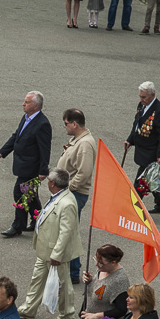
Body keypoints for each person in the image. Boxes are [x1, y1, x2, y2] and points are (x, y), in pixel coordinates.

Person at [16, 168, 83, 319]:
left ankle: (67, 315)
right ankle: (28, 309)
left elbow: (66, 232)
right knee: (37, 279)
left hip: (55, 253)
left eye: (48, 181)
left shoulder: (66, 203)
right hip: (45, 250)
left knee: (63, 284)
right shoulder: (58, 196)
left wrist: (57, 254)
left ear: (52, 183)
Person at [0, 91, 52, 238]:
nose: (23, 104)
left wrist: (43, 170)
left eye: (26, 102)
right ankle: (38, 220)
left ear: (35, 105)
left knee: (20, 193)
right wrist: (3, 151)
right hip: (22, 165)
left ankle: (18, 226)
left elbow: (45, 149)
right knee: (29, 195)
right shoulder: (26, 117)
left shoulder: (43, 124)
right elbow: (16, 136)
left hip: (31, 168)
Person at [56, 108, 96, 283]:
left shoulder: (85, 144)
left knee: (70, 232)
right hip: (70, 193)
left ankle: (73, 273)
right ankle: (70, 270)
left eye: (65, 123)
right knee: (67, 230)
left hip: (74, 194)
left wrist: (68, 188)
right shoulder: (77, 140)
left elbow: (84, 172)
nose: (64, 127)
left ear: (74, 124)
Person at [125, 81, 160, 214]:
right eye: (140, 96)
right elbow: (137, 125)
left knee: (142, 178)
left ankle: (133, 204)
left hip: (151, 151)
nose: (141, 100)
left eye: (144, 97)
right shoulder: (142, 105)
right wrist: (130, 140)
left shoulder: (159, 111)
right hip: (142, 148)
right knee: (153, 177)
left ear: (152, 95)